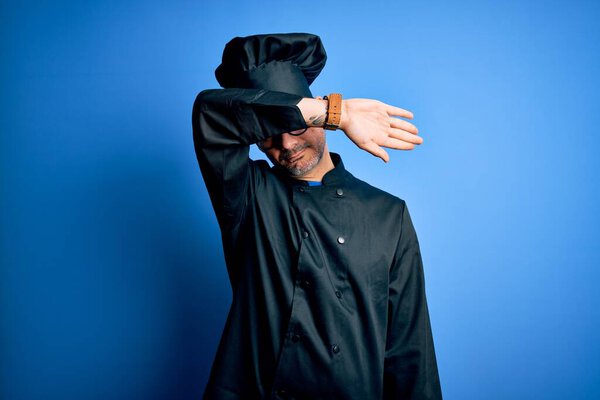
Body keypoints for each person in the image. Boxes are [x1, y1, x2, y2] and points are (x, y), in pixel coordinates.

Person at [192, 33, 442, 400]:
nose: (286, 146)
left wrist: (317, 112)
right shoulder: (247, 195)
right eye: (267, 135)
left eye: (295, 126)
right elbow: (208, 112)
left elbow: (409, 351)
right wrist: (334, 113)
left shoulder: (390, 214)